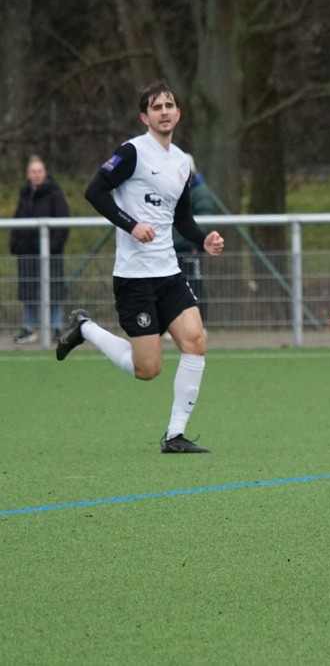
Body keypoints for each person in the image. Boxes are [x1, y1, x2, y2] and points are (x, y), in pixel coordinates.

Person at [55, 81, 225, 454]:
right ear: (144, 117)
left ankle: (174, 436)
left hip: (169, 274)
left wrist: (203, 240)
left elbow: (181, 217)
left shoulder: (181, 162)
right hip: (134, 279)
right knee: (148, 369)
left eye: (169, 105)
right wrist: (131, 225)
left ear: (178, 113)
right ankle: (85, 329)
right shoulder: (132, 152)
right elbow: (94, 191)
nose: (164, 112)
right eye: (156, 107)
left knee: (195, 341)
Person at [10, 155, 70, 344]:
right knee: (28, 290)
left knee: (53, 290)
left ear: (45, 173)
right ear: (28, 175)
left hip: (50, 254)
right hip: (27, 254)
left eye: (40, 171)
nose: (37, 175)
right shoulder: (25, 195)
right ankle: (29, 329)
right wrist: (16, 245)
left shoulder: (54, 194)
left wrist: (53, 246)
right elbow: (17, 221)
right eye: (33, 172)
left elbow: (63, 223)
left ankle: (57, 328)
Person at [172, 153, 218, 323]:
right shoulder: (172, 189)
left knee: (194, 285)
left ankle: (200, 322)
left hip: (190, 248)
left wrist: (196, 241)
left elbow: (204, 218)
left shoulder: (199, 192)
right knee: (171, 287)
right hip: (171, 247)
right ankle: (175, 323)